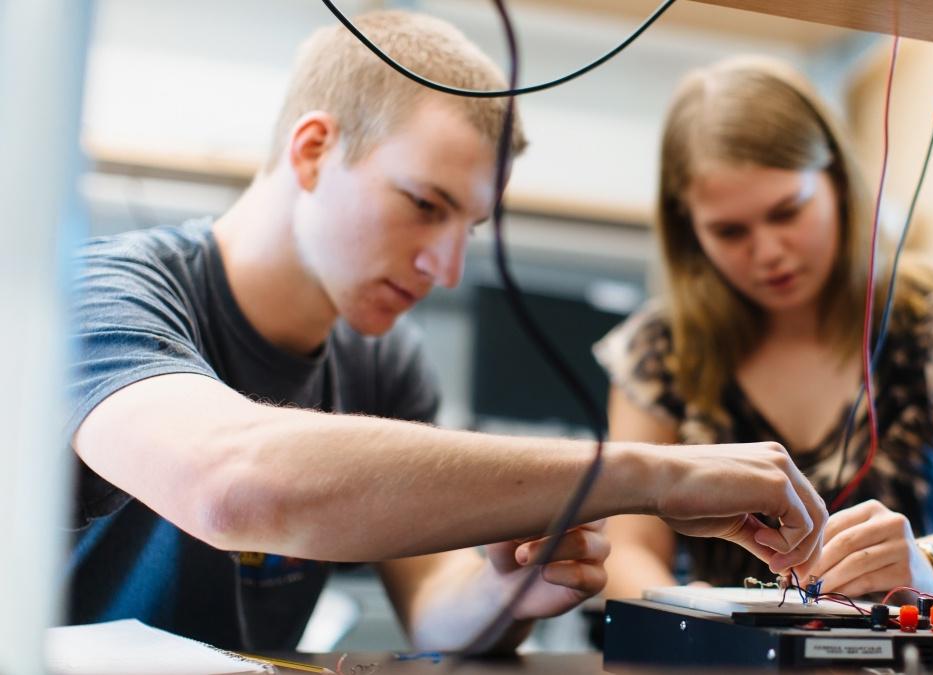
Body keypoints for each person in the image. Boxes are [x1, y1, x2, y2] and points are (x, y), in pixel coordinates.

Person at [66, 15, 828, 652]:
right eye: (425, 204)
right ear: (312, 150)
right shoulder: (98, 294)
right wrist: (655, 475)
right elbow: (237, 485)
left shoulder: (384, 363)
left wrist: (509, 587)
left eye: (470, 225)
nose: (448, 266)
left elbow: (433, 601)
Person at [596, 56, 933, 609]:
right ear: (688, 229)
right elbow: (626, 547)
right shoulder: (660, 349)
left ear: (837, 182)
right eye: (730, 231)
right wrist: (687, 610)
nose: (768, 253)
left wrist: (928, 564)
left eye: (788, 211)